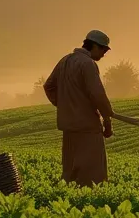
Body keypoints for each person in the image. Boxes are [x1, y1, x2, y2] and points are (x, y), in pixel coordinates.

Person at [44, 30, 115, 186]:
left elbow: (48, 86)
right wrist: (107, 119)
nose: (104, 54)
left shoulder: (65, 61)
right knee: (93, 175)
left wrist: (64, 105)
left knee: (70, 171)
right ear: (94, 46)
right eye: (103, 50)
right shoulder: (88, 64)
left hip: (68, 126)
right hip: (87, 126)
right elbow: (97, 95)